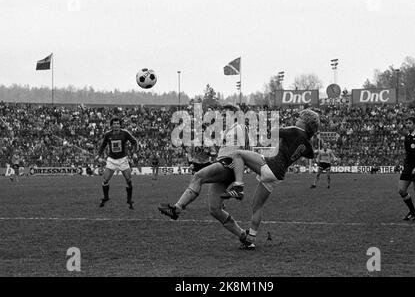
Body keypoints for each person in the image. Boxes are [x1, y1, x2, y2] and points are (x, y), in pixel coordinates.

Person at [158, 104, 254, 249]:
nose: (222, 116)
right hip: (226, 166)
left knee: (198, 176)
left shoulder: (240, 127)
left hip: (228, 164)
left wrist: (240, 168)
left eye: (225, 113)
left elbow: (246, 150)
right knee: (214, 209)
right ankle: (244, 237)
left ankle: (177, 209)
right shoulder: (229, 129)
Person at [221, 109, 320, 247]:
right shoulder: (306, 143)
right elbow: (310, 155)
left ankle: (238, 186)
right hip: (277, 176)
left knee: (238, 154)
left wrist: (286, 127)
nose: (297, 119)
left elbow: (274, 131)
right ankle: (251, 239)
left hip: (271, 166)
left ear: (304, 123)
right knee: (257, 206)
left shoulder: (295, 131)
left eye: (299, 118)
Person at [95, 117, 138, 210]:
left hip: (123, 159)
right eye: (114, 124)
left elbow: (135, 142)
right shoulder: (108, 134)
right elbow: (103, 145)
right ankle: (106, 197)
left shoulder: (125, 133)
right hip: (112, 160)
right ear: (111, 125)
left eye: (118, 123)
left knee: (129, 180)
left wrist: (134, 153)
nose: (116, 125)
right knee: (105, 180)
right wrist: (98, 155)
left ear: (120, 125)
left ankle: (129, 200)